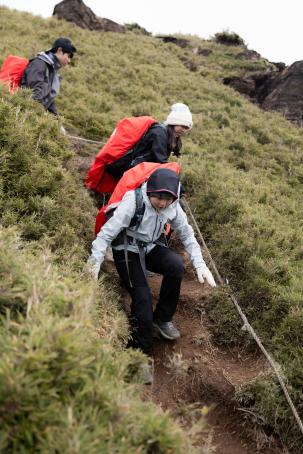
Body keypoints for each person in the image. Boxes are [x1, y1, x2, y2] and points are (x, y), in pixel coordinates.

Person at [87, 168, 216, 384]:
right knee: (142, 298)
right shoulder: (133, 201)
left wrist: (200, 264)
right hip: (127, 249)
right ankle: (139, 357)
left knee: (175, 266)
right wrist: (94, 263)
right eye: (158, 197)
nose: (163, 203)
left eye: (168, 199)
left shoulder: (173, 207)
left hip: (149, 247)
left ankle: (162, 320)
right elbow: (107, 233)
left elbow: (186, 234)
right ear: (150, 191)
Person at [105, 103, 193, 181]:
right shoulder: (160, 133)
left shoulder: (170, 134)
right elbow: (160, 160)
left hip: (140, 168)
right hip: (131, 169)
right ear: (174, 122)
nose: (184, 130)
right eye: (182, 126)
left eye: (186, 128)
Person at [21, 37, 76, 117]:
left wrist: (57, 121)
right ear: (59, 50)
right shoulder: (39, 64)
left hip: (33, 114)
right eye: (68, 56)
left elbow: (48, 100)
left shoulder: (51, 69)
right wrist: (38, 116)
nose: (69, 61)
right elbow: (33, 96)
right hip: (25, 114)